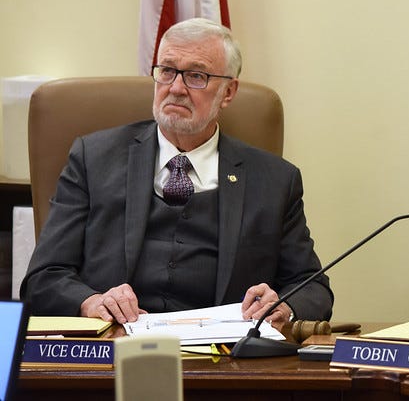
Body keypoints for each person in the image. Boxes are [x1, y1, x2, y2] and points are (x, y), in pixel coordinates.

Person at [21, 18, 333, 327]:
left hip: (223, 361)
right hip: (113, 350)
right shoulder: (94, 159)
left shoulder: (275, 180)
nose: (176, 88)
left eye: (196, 76)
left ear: (228, 92)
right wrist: (91, 303)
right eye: (167, 71)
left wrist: (284, 306)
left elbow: (312, 288)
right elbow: (43, 278)